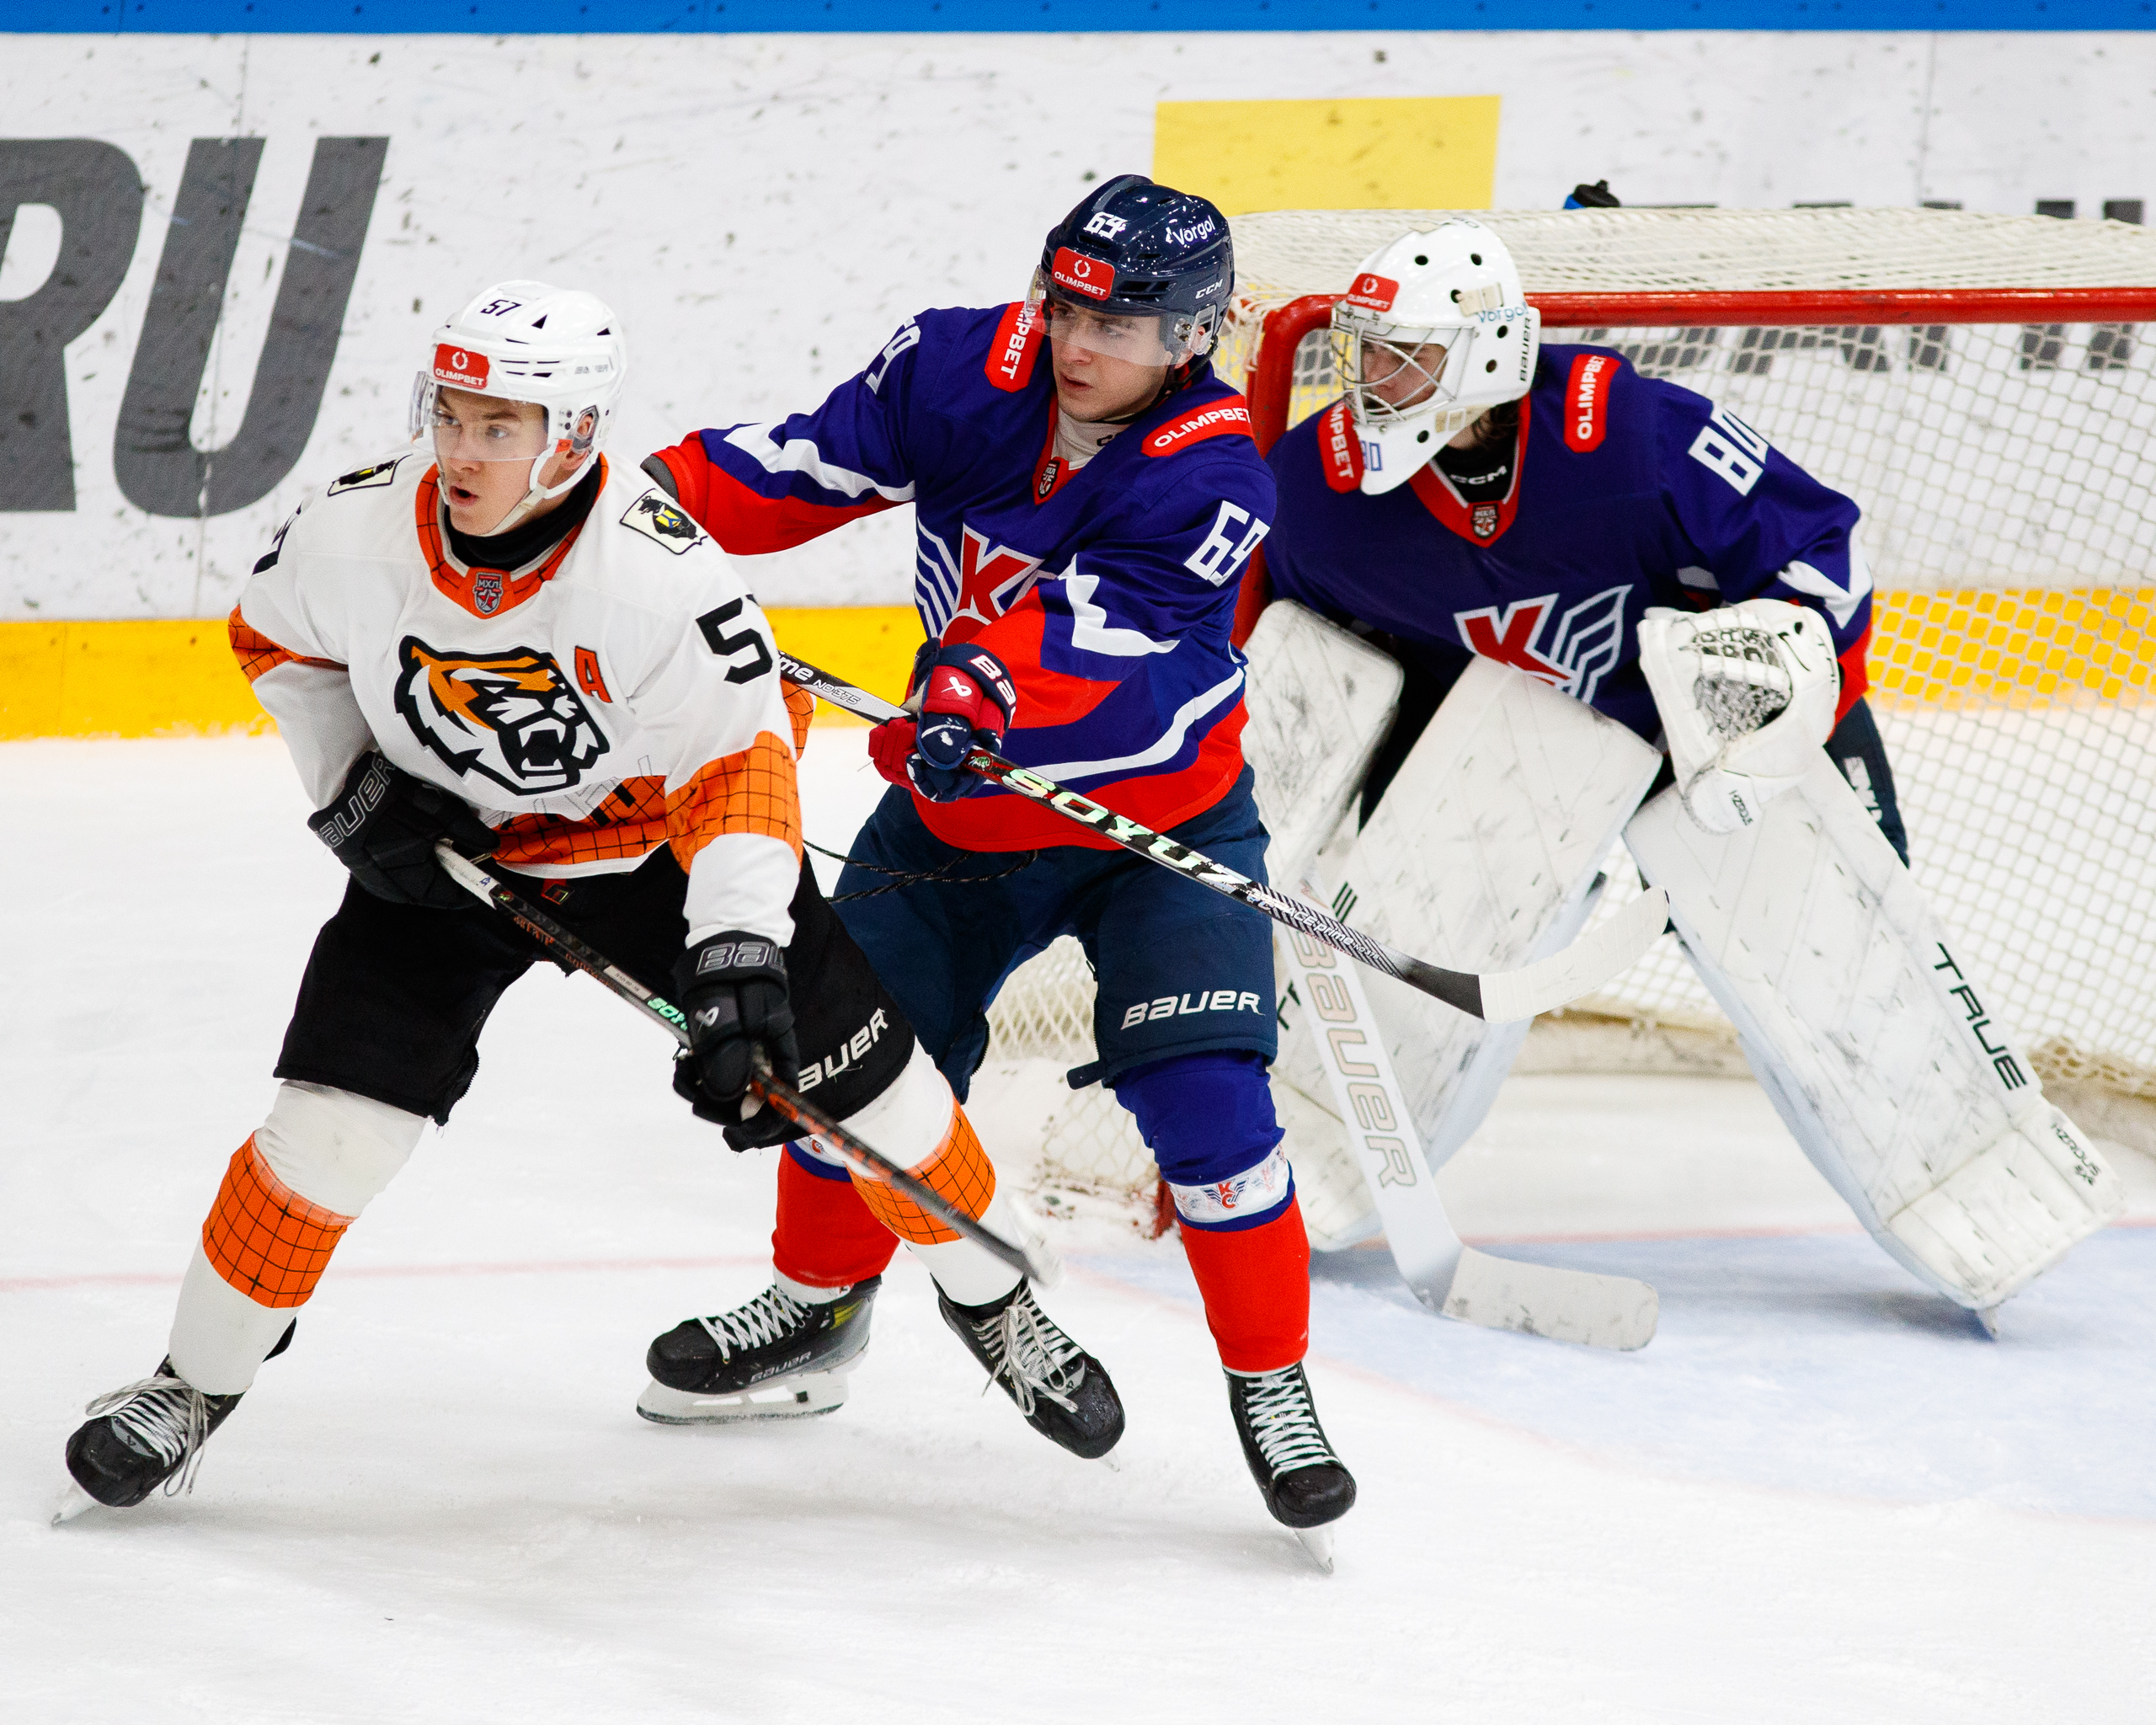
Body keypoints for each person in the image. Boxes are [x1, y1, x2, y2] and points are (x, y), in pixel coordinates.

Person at [59, 280, 1120, 1521]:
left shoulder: (662, 578)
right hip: (446, 862)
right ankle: (192, 1385)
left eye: (499, 427)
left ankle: (995, 1306)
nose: (461, 451)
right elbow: (274, 641)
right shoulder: (351, 531)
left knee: (874, 1095)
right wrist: (352, 789)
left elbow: (740, 772)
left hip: (652, 849)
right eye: (451, 416)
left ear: (569, 439)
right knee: (330, 1136)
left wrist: (737, 958)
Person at [642, 175, 1356, 1544]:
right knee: (840, 1071)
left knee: (1208, 1104)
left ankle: (1272, 1384)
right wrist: (632, 516)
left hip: (1156, 829)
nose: (1079, 344)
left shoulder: (1217, 472)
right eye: (1066, 307)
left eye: (1120, 325)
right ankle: (818, 1310)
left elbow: (1121, 653)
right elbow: (802, 467)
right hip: (958, 818)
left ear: (1190, 337)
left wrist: (975, 689)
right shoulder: (959, 368)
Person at [1244, 217, 2117, 1315]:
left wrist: (1777, 705)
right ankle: (1288, 1155)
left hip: (1721, 730)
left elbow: (1823, 556)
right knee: (1420, 953)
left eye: (1405, 357)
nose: (1371, 384)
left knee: (1842, 960)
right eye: (1365, 354)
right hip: (1518, 738)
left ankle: (1977, 1191)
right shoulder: (1316, 493)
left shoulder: (1637, 438)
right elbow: (1290, 645)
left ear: (1488, 357)